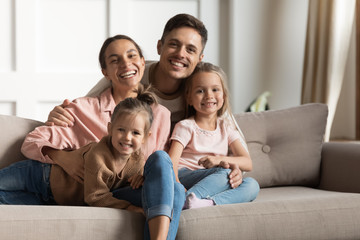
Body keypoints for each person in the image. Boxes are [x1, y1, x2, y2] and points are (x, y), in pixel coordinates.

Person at [1, 34, 184, 240]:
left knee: (175, 191)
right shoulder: (84, 108)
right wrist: (64, 158)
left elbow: (156, 163)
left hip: (119, 191)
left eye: (132, 56)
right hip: (71, 186)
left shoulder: (161, 115)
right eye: (115, 60)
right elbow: (33, 140)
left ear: (143, 62)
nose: (125, 63)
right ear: (105, 72)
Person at [47, 13, 245, 190]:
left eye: (190, 50)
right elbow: (91, 108)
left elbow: (228, 134)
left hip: (171, 168)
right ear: (159, 46)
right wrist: (58, 114)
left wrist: (232, 167)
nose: (181, 54)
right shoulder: (132, 74)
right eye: (174, 44)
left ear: (199, 58)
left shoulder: (201, 89)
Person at [0, 87, 155, 213]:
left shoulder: (137, 160)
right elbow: (95, 197)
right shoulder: (99, 156)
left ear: (144, 138)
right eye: (121, 130)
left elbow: (133, 178)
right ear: (110, 129)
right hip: (39, 175)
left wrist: (140, 177)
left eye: (135, 133)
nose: (127, 137)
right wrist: (128, 207)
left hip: (53, 199)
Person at [168, 62, 260, 209]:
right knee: (224, 174)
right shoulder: (186, 126)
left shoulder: (227, 127)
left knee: (252, 185)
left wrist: (218, 160)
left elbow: (247, 163)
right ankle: (183, 199)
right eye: (200, 91)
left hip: (215, 177)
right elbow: (171, 162)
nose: (209, 96)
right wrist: (177, 186)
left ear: (223, 95)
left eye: (215, 89)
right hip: (186, 175)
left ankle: (205, 203)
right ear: (189, 98)